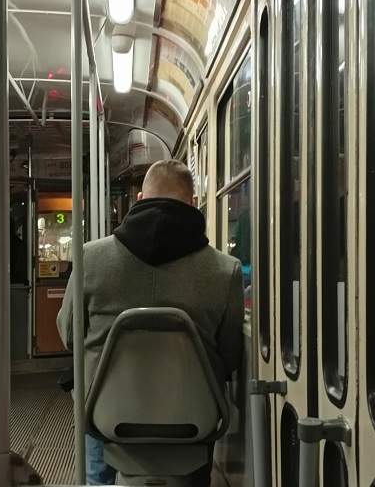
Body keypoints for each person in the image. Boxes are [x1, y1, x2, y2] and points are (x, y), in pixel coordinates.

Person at [57, 160, 243, 486]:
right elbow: (230, 355)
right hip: (193, 421)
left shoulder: (90, 259)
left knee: (93, 408)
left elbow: (71, 337)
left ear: (140, 199)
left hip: (107, 418)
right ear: (193, 203)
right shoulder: (225, 271)